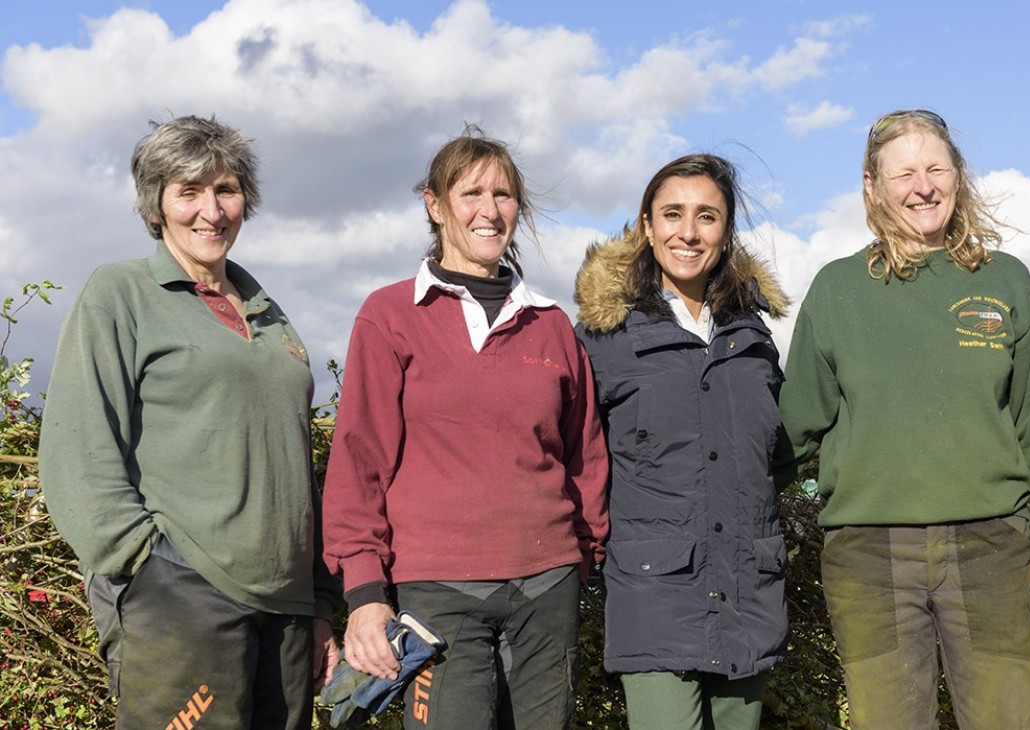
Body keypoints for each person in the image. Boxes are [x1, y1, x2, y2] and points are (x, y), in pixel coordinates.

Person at [775, 109, 1030, 730]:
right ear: (872, 186)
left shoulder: (1006, 281)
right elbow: (791, 430)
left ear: (957, 177)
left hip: (993, 548)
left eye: (936, 168)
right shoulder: (837, 291)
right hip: (867, 555)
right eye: (904, 172)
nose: (923, 186)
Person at [39, 115, 341, 729]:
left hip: (285, 608)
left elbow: (293, 466)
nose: (211, 210)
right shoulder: (120, 293)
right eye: (188, 192)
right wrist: (146, 567)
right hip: (182, 592)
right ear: (157, 205)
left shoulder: (270, 314)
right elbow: (78, 447)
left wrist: (319, 601)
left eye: (226, 190)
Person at [321, 126, 610, 730]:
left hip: (546, 586)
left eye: (503, 195)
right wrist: (366, 593)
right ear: (434, 203)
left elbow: (585, 456)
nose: (489, 210)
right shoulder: (391, 314)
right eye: (470, 193)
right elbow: (358, 460)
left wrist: (583, 559)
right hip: (438, 590)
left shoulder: (551, 325)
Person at [574, 153, 790, 730]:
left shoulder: (753, 335)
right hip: (657, 597)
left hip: (749, 592)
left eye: (707, 216)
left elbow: (774, 458)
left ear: (726, 230)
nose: (688, 233)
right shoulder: (604, 338)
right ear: (647, 226)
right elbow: (578, 460)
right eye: (672, 214)